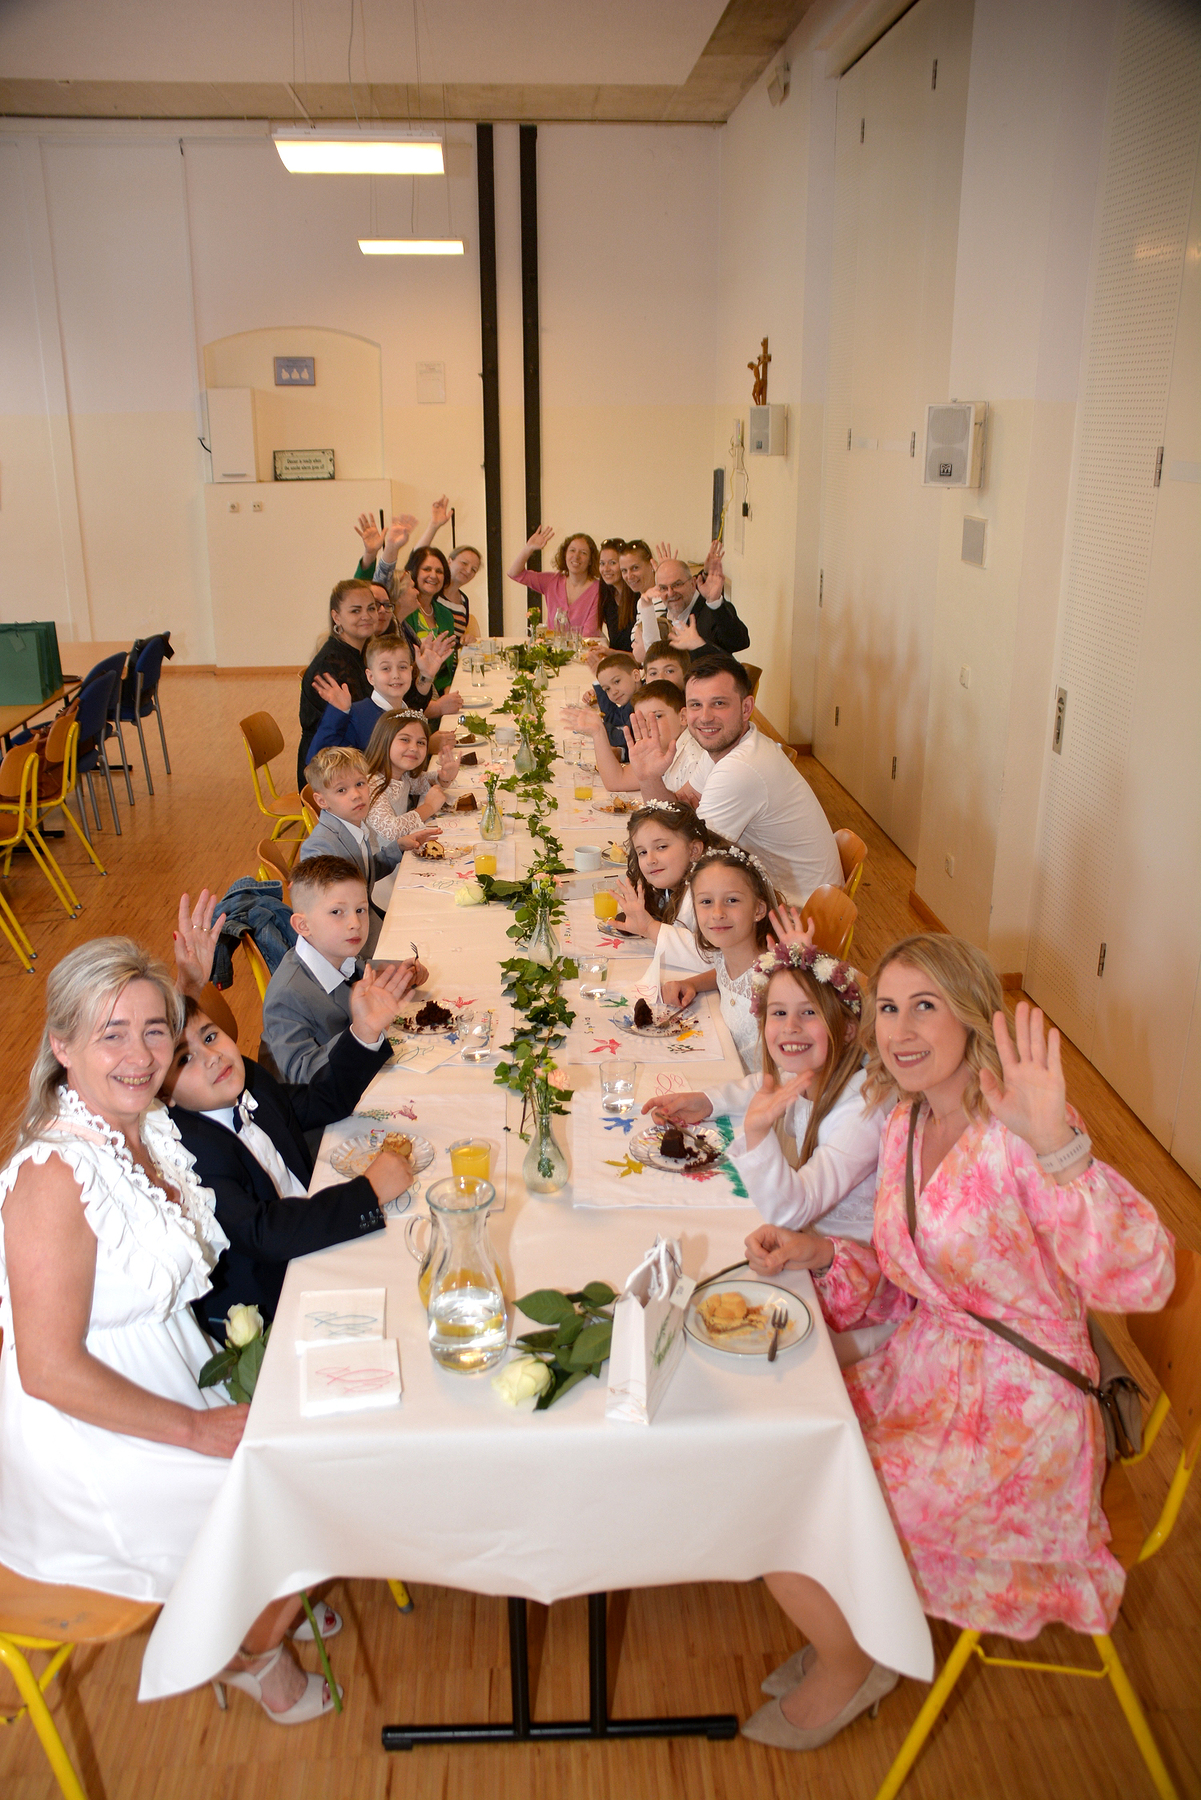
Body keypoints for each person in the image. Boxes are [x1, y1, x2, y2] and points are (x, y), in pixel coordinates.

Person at [739, 934, 1174, 1752]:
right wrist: (822, 1253)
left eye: (925, 1006)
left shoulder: (1019, 1132)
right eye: (888, 1008)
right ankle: (855, 1630)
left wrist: (1059, 1147)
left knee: (789, 1491)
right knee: (770, 1436)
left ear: (970, 1015)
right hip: (927, 1369)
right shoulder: (907, 1120)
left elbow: (1141, 1278)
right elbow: (914, 1280)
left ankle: (852, 1663)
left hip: (1020, 1423)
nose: (900, 1030)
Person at [0, 939, 336, 1721]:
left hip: (172, 1368)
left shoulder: (147, 1124)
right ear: (62, 1045)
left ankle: (260, 1603)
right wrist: (192, 1428)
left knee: (314, 1450)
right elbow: (47, 1370)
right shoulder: (53, 1177)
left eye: (156, 1031)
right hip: (88, 1433)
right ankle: (248, 1653)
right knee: (303, 1491)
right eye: (110, 1034)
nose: (140, 1056)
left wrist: (188, 979)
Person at [164, 995, 412, 1331]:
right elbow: (262, 1233)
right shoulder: (187, 1153)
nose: (212, 1057)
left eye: (210, 1037)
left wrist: (365, 1033)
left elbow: (321, 1101)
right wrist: (367, 1192)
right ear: (163, 1094)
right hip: (277, 1299)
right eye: (184, 1059)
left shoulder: (249, 1080)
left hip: (320, 1234)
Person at [647, 938, 884, 1242]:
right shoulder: (812, 1072)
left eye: (809, 1012)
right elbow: (766, 1084)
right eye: (779, 1013)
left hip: (838, 1255)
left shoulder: (860, 1112)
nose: (790, 1026)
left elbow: (793, 1210)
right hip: (805, 1234)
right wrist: (708, 1101)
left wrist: (757, 1135)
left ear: (848, 1029)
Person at [631, 654, 842, 903]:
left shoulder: (740, 769)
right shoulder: (727, 747)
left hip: (794, 910)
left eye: (719, 703)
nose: (705, 717)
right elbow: (676, 814)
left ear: (746, 708)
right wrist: (649, 778)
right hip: (790, 895)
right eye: (696, 705)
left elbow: (692, 859)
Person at [262, 856, 425, 1086]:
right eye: (337, 912)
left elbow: (358, 969)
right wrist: (360, 1034)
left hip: (353, 1078)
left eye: (360, 910)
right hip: (318, 1102)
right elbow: (301, 1076)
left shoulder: (334, 953)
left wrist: (398, 971)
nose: (355, 923)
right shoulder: (287, 996)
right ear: (303, 925)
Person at [658, 845, 780, 1071]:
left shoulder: (774, 983)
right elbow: (723, 973)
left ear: (758, 909)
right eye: (706, 902)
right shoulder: (726, 955)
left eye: (732, 900)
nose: (717, 913)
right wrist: (692, 983)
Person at [299, 748, 409, 956]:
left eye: (360, 784)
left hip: (369, 920)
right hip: (354, 946)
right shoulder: (321, 848)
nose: (356, 795)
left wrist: (398, 847)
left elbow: (362, 873)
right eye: (342, 790)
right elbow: (328, 924)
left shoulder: (352, 825)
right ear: (322, 801)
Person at [297, 578, 383, 786]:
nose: (366, 616)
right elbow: (357, 727)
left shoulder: (361, 654)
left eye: (371, 608)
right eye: (355, 611)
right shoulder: (330, 664)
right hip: (328, 774)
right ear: (336, 617)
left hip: (353, 758)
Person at [564, 681, 710, 800]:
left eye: (657, 716)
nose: (649, 726)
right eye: (642, 720)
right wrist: (598, 732)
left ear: (683, 717)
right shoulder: (662, 747)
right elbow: (616, 781)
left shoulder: (693, 762)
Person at [308, 633, 446, 757]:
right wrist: (338, 712)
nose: (396, 675)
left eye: (402, 667)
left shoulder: (408, 713)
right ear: (370, 677)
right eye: (386, 668)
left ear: (410, 671)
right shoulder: (358, 715)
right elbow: (318, 758)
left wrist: (426, 675)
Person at [633, 547, 749, 660]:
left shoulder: (712, 611)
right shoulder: (665, 620)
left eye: (677, 584)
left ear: (693, 584)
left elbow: (739, 643)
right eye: (663, 588)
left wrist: (714, 602)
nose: (671, 593)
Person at [364, 709, 459, 845]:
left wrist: (445, 777)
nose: (414, 748)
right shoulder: (372, 784)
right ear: (384, 740)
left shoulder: (403, 776)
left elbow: (426, 782)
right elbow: (391, 831)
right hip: (383, 857)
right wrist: (428, 807)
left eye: (421, 742)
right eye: (405, 740)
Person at [508, 526, 601, 634]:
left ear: (591, 560)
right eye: (572, 550)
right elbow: (514, 573)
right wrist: (529, 548)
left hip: (585, 644)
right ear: (565, 555)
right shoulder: (552, 581)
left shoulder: (598, 589)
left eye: (583, 553)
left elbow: (589, 632)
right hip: (553, 644)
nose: (576, 556)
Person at [398, 546, 461, 701]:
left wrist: (447, 690)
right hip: (413, 695)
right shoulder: (404, 612)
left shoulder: (445, 614)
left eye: (439, 571)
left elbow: (446, 667)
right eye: (426, 569)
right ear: (414, 573)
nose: (433, 575)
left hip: (439, 692)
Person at [589, 651, 641, 755]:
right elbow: (614, 717)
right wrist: (599, 683)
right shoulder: (633, 698)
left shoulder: (644, 702)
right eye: (607, 689)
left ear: (635, 676)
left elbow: (623, 738)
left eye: (617, 681)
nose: (613, 692)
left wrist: (599, 727)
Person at [597, 538, 636, 652]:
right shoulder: (608, 597)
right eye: (602, 563)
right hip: (616, 660)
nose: (606, 569)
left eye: (612, 563)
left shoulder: (637, 598)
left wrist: (611, 653)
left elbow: (641, 656)